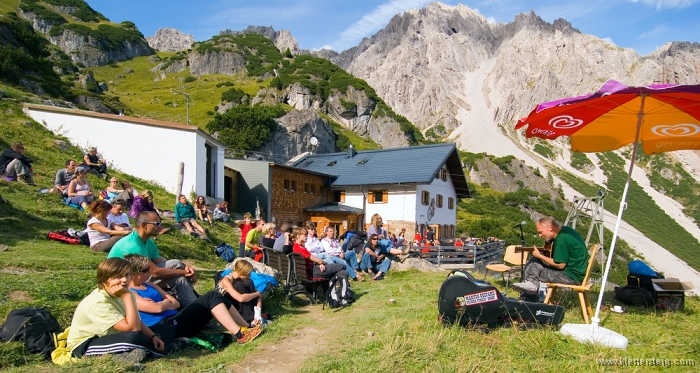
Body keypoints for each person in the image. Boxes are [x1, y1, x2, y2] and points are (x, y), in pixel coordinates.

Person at [65, 258, 185, 362]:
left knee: (167, 328)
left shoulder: (125, 292)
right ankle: (168, 349)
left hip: (115, 337)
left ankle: (136, 352)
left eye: (127, 275)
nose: (124, 280)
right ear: (104, 280)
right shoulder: (99, 301)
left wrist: (153, 336)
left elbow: (137, 322)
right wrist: (126, 296)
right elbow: (133, 330)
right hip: (86, 344)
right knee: (134, 338)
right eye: (118, 277)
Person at [125, 255, 262, 344]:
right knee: (211, 296)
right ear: (134, 273)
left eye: (149, 268)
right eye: (145, 270)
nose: (150, 272)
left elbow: (175, 303)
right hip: (163, 327)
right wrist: (164, 303)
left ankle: (246, 327)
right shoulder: (130, 293)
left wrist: (163, 303)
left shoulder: (150, 285)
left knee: (216, 297)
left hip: (176, 319)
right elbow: (158, 308)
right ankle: (240, 335)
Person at [108, 211, 199, 308]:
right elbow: (155, 272)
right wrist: (184, 272)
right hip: (125, 281)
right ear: (143, 225)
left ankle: (195, 310)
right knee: (176, 264)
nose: (160, 227)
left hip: (139, 276)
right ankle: (195, 299)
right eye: (157, 224)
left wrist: (182, 273)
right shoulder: (132, 245)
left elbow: (161, 264)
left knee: (179, 279)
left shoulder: (148, 242)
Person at [511, 217, 590, 295]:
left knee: (535, 266)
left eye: (541, 232)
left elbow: (560, 265)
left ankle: (530, 288)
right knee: (535, 262)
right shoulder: (566, 230)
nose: (540, 235)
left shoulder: (562, 240)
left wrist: (539, 256)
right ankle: (530, 286)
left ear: (550, 227)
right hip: (577, 272)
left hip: (570, 276)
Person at [217, 260, 266, 327]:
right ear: (242, 272)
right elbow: (241, 298)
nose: (249, 276)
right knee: (239, 285)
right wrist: (257, 294)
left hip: (237, 303)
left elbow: (258, 296)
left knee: (249, 282)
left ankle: (255, 317)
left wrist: (258, 314)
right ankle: (249, 320)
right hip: (224, 305)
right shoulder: (226, 280)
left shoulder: (244, 280)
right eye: (248, 274)